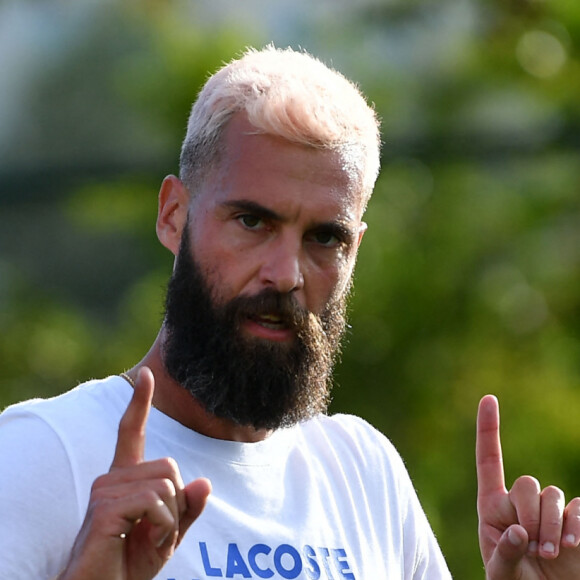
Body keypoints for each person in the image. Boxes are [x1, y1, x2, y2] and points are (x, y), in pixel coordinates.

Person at [0, 45, 578, 580]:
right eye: (253, 222)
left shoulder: (363, 469)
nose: (286, 274)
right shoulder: (42, 456)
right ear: (174, 215)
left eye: (325, 238)